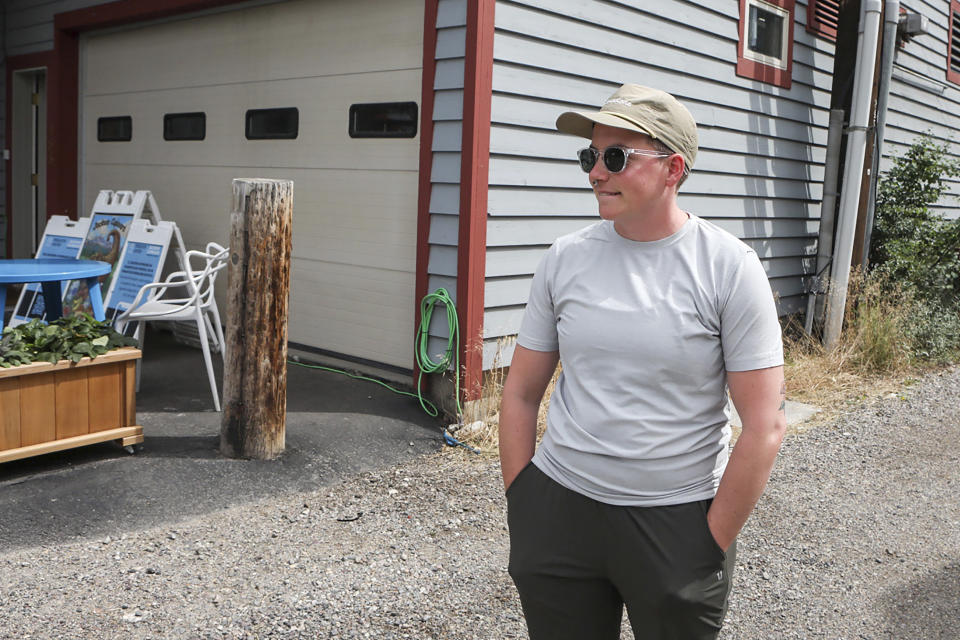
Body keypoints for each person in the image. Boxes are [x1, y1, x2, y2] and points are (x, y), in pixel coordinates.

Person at [499, 83, 786, 640]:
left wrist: (708, 543)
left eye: (615, 157)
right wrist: (524, 502)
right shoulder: (565, 259)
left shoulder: (729, 268)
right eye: (590, 156)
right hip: (560, 509)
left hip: (675, 519)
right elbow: (521, 392)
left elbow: (765, 424)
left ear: (673, 168)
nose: (595, 173)